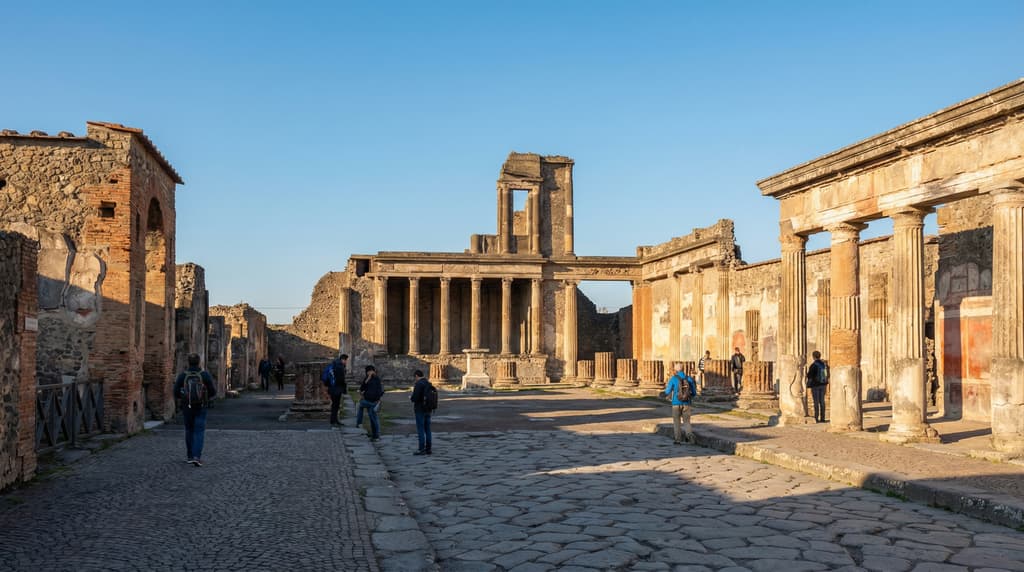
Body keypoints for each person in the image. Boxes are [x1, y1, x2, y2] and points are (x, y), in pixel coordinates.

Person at [173, 353, 217, 467]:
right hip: (201, 406)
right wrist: (206, 397)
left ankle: (190, 456)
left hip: (187, 407)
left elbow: (175, 392)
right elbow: (213, 391)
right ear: (199, 362)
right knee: (199, 431)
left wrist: (184, 398)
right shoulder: (204, 375)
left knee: (189, 430)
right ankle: (197, 457)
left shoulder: (183, 375)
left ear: (188, 362)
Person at [664, 362, 697, 445]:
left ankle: (678, 439)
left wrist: (668, 393)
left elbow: (667, 391)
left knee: (676, 422)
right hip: (687, 403)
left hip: (676, 402)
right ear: (683, 369)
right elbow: (694, 392)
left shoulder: (673, 379)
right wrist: (689, 396)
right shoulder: (689, 379)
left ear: (676, 370)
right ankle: (690, 437)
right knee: (687, 421)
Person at [356, 365, 384, 441]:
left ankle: (360, 423)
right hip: (369, 401)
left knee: (372, 417)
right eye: (369, 372)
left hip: (372, 402)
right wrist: (368, 378)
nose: (370, 373)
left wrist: (378, 399)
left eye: (371, 371)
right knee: (373, 418)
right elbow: (362, 388)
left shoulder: (376, 379)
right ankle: (375, 435)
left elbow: (380, 391)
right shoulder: (368, 379)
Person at [410, 370, 433, 455]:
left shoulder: (419, 384)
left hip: (420, 409)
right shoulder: (428, 383)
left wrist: (411, 397)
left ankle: (421, 449)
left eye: (415, 378)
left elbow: (415, 398)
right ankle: (429, 449)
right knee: (428, 429)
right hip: (428, 409)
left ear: (416, 376)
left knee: (420, 429)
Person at [323, 354, 348, 428]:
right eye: (346, 360)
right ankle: (334, 420)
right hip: (337, 389)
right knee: (336, 405)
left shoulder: (333, 364)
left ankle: (333, 420)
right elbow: (341, 379)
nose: (346, 362)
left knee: (334, 405)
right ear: (343, 359)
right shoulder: (339, 366)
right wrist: (344, 389)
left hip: (332, 388)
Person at [806, 350, 829, 423]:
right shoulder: (824, 365)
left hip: (815, 385)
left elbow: (809, 375)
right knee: (822, 401)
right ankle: (823, 418)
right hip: (823, 385)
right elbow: (828, 374)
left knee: (816, 402)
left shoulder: (813, 365)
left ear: (813, 357)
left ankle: (816, 417)